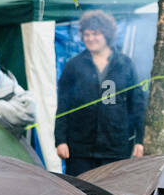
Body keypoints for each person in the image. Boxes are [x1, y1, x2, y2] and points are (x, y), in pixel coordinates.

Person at [55, 10, 146, 174]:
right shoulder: (73, 65)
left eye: (95, 34)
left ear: (107, 35)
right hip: (79, 148)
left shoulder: (125, 64)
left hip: (115, 148)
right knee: (81, 192)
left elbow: (137, 104)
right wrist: (60, 140)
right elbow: (63, 104)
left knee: (112, 193)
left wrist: (140, 140)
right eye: (86, 34)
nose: (90, 39)